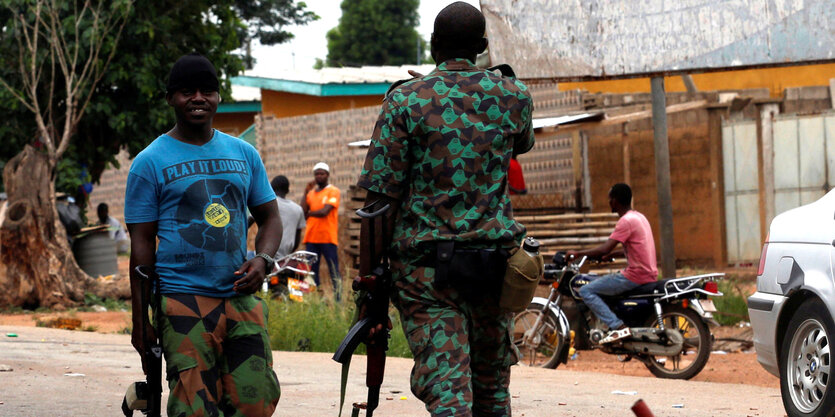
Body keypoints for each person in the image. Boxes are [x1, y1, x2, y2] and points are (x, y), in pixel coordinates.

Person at [356, 3, 535, 415]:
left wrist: (369, 282)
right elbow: (520, 143)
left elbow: (380, 201)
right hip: (495, 270)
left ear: (433, 45)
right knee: (492, 393)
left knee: (449, 393)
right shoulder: (513, 96)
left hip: (427, 276)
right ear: (483, 47)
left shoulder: (405, 101)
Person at [124, 53, 282, 417]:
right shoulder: (149, 162)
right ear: (170, 99)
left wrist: (263, 259)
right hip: (184, 300)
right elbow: (142, 246)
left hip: (242, 297)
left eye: (207, 90)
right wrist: (140, 322)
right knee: (195, 409)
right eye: (186, 92)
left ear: (218, 96)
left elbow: (270, 216)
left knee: (255, 402)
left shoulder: (244, 153)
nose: (198, 98)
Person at [566, 183, 658, 344]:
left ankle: (617, 326)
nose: (609, 202)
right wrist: (612, 254)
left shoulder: (626, 221)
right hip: (648, 273)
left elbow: (604, 248)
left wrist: (578, 253)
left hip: (635, 276)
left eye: (610, 199)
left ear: (615, 201)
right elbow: (635, 248)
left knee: (586, 290)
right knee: (600, 282)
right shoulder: (639, 217)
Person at [300, 162, 342, 301]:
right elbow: (302, 211)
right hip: (311, 237)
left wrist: (310, 213)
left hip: (327, 238)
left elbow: (325, 211)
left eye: (322, 173)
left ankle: (338, 300)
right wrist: (305, 192)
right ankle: (314, 299)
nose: (319, 176)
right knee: (311, 272)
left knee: (333, 270)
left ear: (328, 175)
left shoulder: (333, 191)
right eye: (317, 174)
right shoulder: (311, 193)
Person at [271, 175, 305, 259]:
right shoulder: (298, 209)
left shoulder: (269, 203)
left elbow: (248, 222)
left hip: (265, 256)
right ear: (288, 190)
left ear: (271, 188)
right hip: (285, 259)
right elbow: (297, 240)